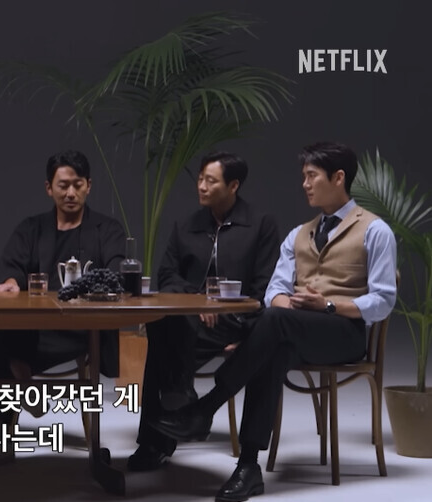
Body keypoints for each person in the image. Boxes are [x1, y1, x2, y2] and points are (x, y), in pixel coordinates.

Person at [152, 142, 397, 501]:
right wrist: (287, 310)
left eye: (311, 176)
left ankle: (206, 407)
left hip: (344, 334)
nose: (304, 184)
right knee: (274, 347)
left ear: (338, 178)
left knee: (276, 325)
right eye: (304, 177)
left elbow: (383, 301)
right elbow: (274, 293)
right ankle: (248, 466)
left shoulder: (375, 231)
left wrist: (327, 305)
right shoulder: (299, 234)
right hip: (292, 330)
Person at [0, 149, 126, 467]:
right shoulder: (32, 228)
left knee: (9, 342)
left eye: (77, 185)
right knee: (10, 331)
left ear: (89, 185)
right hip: (38, 325)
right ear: (48, 188)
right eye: (63, 185)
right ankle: (18, 402)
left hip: (84, 327)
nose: (70, 193)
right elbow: (11, 266)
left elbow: (116, 271)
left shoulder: (107, 229)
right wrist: (11, 282)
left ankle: (7, 421)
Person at [128, 152, 280, 471]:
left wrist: (249, 332)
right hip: (190, 322)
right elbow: (167, 275)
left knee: (161, 344)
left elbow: (265, 286)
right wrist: (196, 302)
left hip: (236, 322)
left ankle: (156, 440)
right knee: (163, 328)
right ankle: (179, 396)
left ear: (233, 185)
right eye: (200, 179)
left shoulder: (259, 225)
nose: (201, 186)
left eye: (210, 181)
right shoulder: (186, 226)